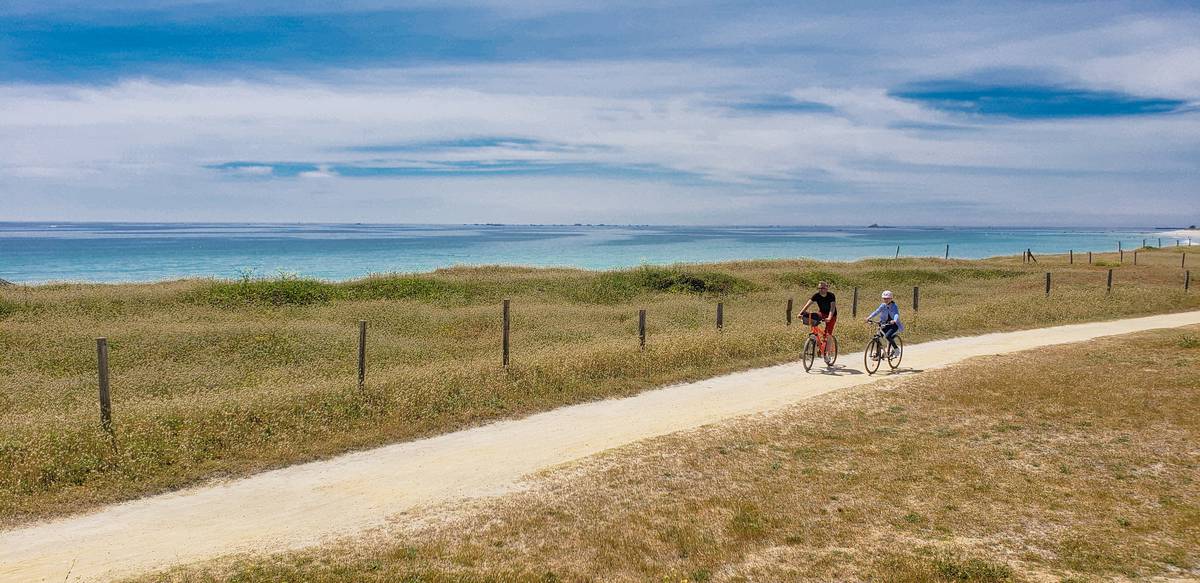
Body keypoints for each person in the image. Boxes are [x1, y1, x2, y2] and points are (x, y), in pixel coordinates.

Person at [866, 290, 903, 357]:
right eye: (884, 298)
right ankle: (878, 353)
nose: (886, 300)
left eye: (887, 298)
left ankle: (896, 349)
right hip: (884, 324)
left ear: (891, 298)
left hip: (893, 325)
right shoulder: (883, 305)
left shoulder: (894, 306)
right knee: (879, 337)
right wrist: (869, 317)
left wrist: (894, 320)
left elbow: (896, 314)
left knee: (888, 336)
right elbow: (876, 312)